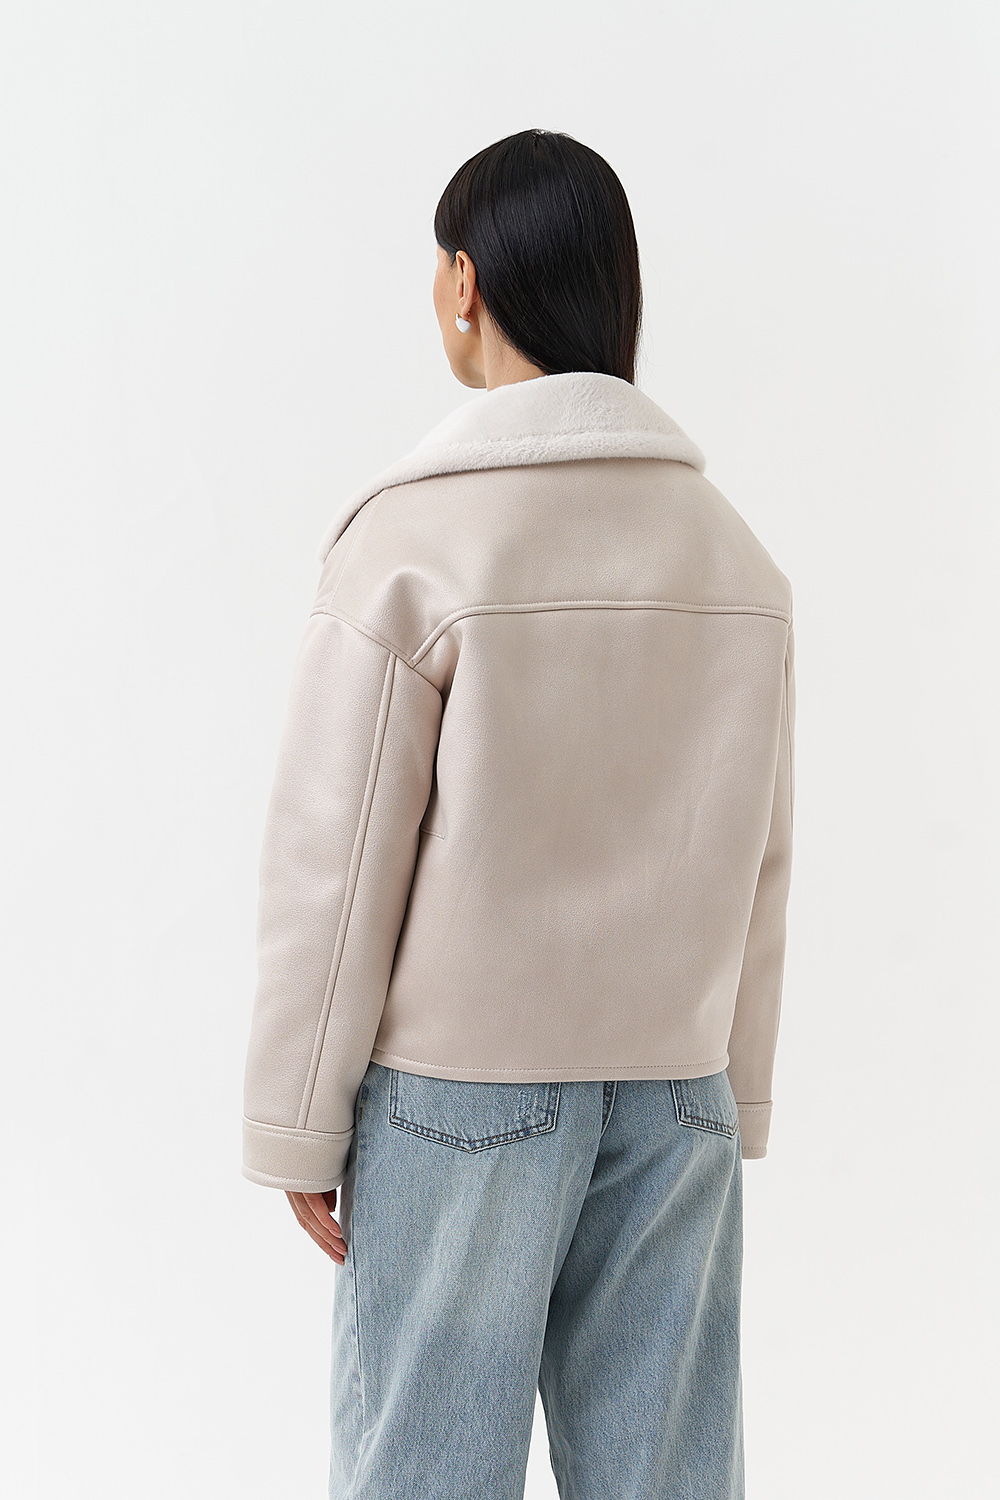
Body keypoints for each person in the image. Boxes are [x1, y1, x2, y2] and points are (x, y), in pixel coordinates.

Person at [241, 128, 796, 1500]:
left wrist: (296, 1120)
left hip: (459, 1094)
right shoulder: (734, 553)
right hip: (675, 1087)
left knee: (425, 1475)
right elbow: (761, 856)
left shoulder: (415, 542)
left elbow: (335, 861)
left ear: (466, 283)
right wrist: (737, 1088)